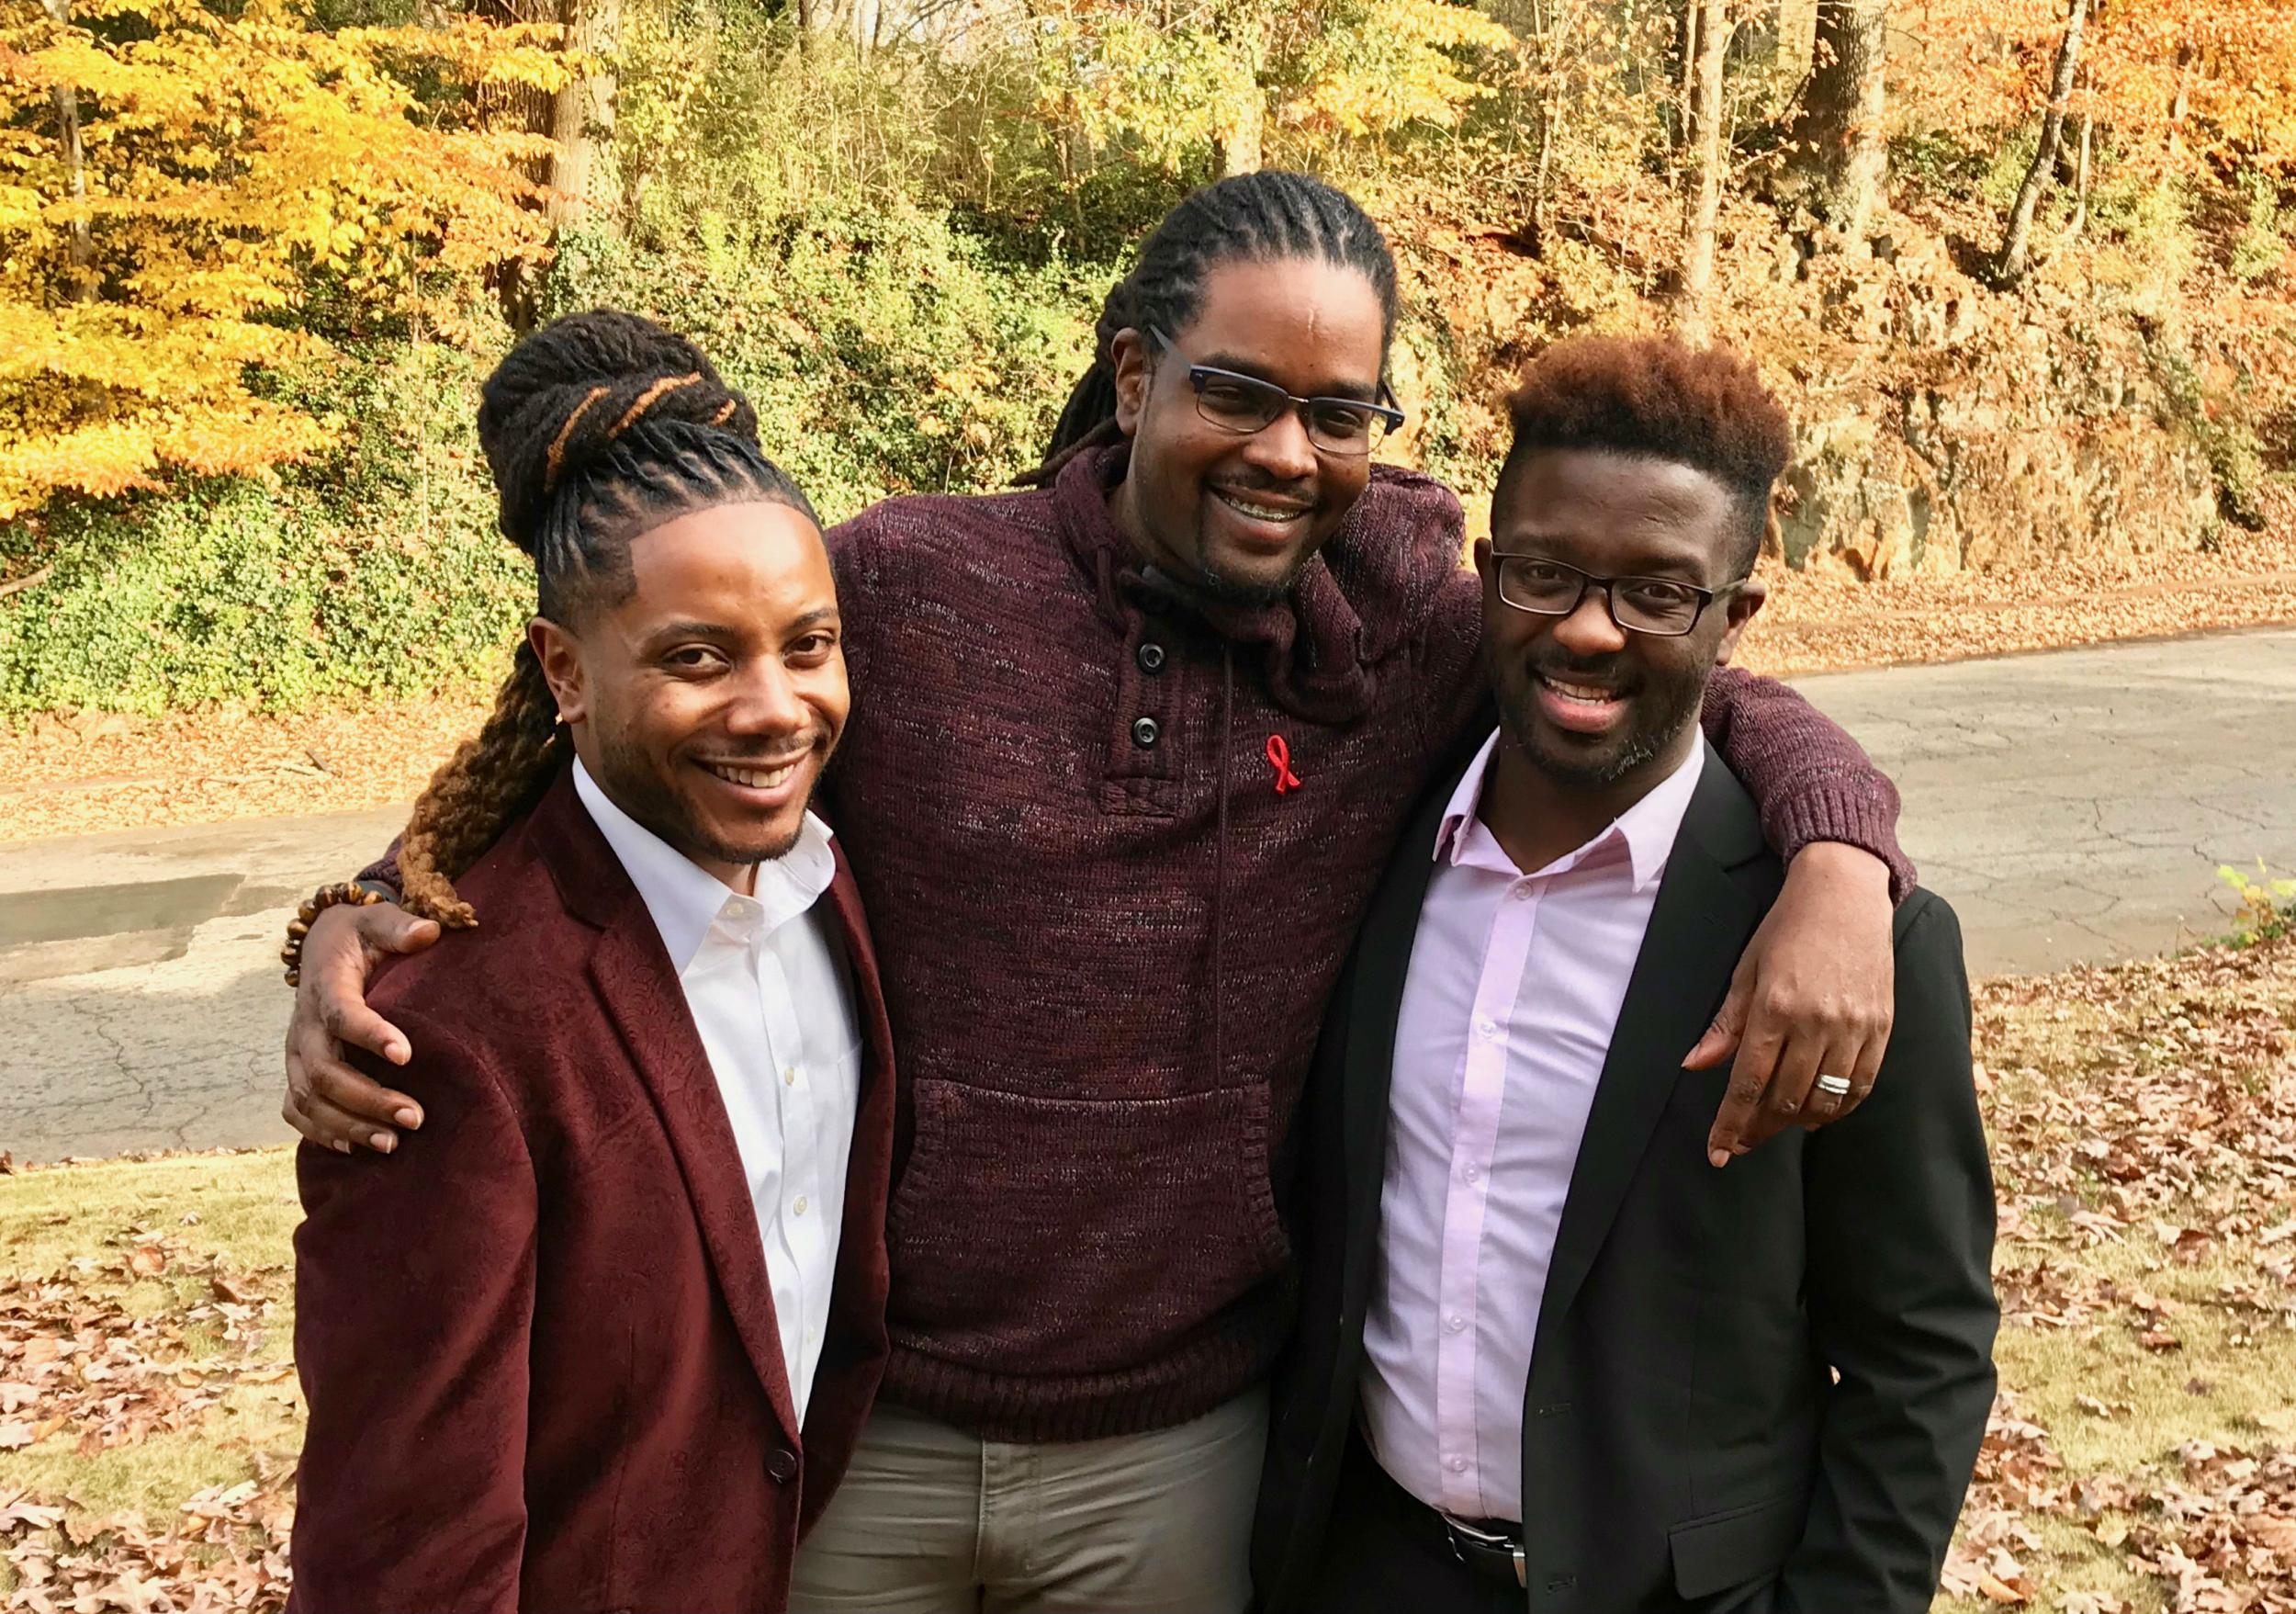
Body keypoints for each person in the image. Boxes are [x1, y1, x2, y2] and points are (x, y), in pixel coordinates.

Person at [282, 175, 1913, 1613]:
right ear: (1134, 378)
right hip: (864, 1434)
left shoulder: (1409, 615)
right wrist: (386, 899)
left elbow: (1660, 656)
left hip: (1182, 1453)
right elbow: (672, 695)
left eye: (1340, 412)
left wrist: (1845, 854)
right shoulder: (912, 588)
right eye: (1238, 392)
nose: (1288, 450)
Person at [1253, 335, 1998, 1614]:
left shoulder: (1841, 943)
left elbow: (1920, 1353)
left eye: (1659, 592)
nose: (1589, 630)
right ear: (1489, 574)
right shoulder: (1377, 844)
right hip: (1367, 1565)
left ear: (1735, 616)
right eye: (1545, 574)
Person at [287, 310, 897, 1614]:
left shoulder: (833, 881)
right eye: (695, 657)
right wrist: (355, 917)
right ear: (564, 667)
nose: (775, 706)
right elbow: (401, 1548)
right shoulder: (448, 1035)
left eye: (808, 643)